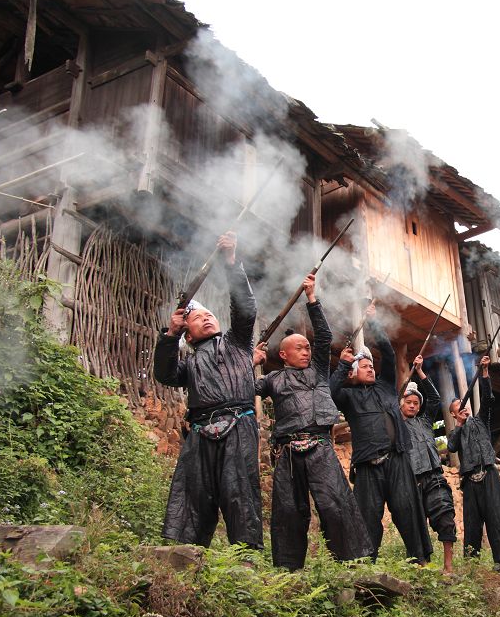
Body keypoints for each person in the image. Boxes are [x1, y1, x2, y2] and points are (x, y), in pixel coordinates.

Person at [252, 273, 374, 570]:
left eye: (308, 347)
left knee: (335, 503)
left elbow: (324, 336)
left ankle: (352, 562)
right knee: (289, 511)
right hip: (287, 452)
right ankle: (287, 569)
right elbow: (243, 390)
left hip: (320, 446)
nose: (307, 350)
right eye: (300, 348)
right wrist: (249, 363)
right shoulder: (271, 379)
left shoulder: (319, 370)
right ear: (283, 354)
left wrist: (311, 298)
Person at [153, 231, 262, 549]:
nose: (208, 318)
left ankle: (246, 561)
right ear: (189, 335)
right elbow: (165, 374)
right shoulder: (188, 362)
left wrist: (230, 263)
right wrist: (170, 335)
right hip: (199, 433)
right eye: (198, 318)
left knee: (240, 493)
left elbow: (245, 310)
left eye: (210, 315)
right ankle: (183, 559)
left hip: (239, 425)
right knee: (192, 497)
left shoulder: (238, 343)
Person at [329, 305, 432, 565]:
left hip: (397, 460)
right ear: (353, 372)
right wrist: (342, 365)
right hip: (367, 465)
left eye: (371, 365)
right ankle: (365, 563)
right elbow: (329, 392)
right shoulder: (348, 396)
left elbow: (387, 352)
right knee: (367, 516)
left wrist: (374, 323)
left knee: (408, 509)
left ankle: (419, 560)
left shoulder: (386, 387)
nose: (370, 368)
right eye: (364, 366)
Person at [447, 355, 500, 571]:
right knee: (472, 522)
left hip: (488, 473)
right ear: (453, 414)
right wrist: (459, 425)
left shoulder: (480, 421)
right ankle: (472, 564)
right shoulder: (455, 431)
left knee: (496, 515)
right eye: (458, 407)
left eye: (463, 404)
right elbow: (451, 447)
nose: (463, 407)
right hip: (470, 480)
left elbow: (488, 401)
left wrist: (485, 372)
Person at [400, 356, 457, 573]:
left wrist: (420, 372)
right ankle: (421, 565)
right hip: (410, 479)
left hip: (434, 476)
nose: (413, 405)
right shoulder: (396, 423)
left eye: (416, 403)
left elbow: (434, 399)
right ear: (401, 404)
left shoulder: (424, 421)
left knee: (445, 515)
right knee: (415, 524)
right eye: (409, 402)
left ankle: (448, 566)